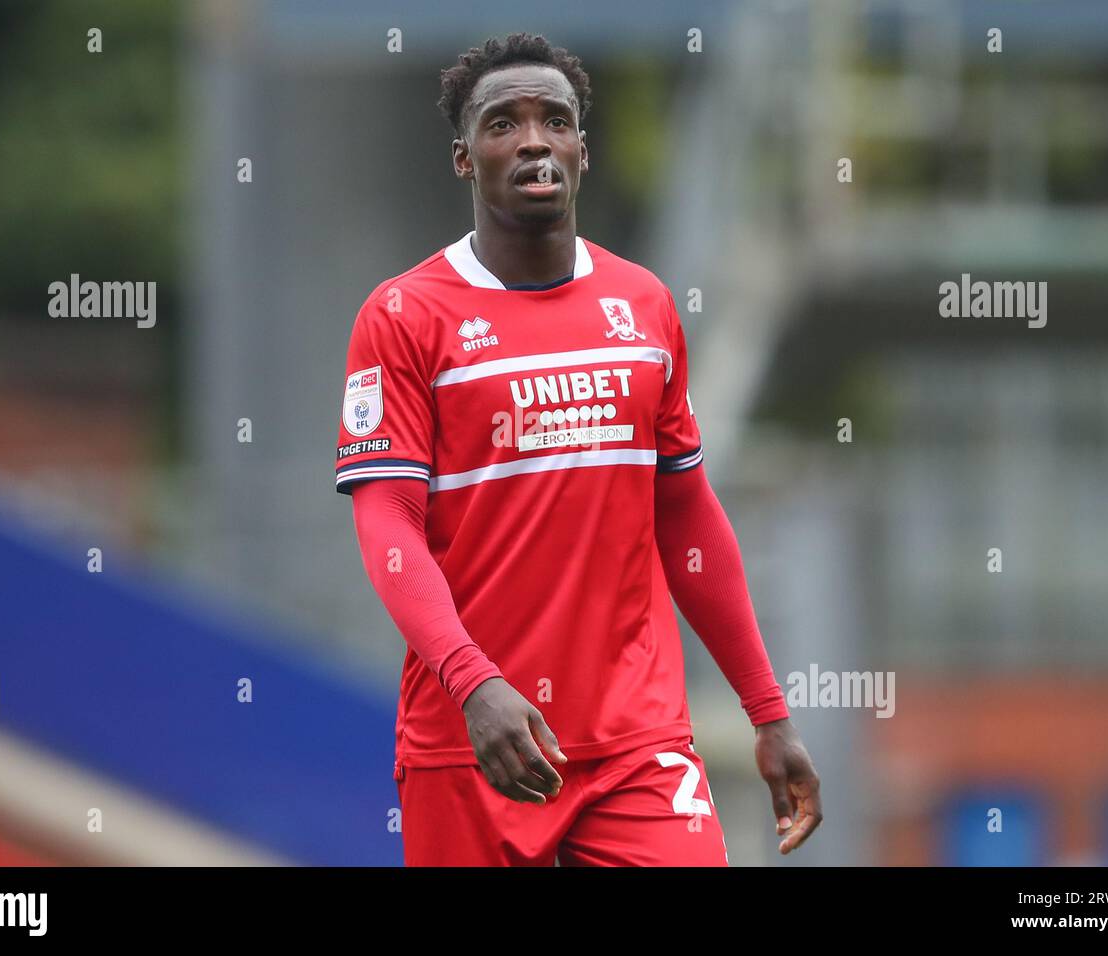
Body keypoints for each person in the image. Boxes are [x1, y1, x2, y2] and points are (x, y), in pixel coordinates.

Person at [336, 32, 821, 866]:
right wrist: (474, 683)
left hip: (637, 741)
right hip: (473, 734)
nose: (532, 139)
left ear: (582, 151)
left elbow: (688, 519)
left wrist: (767, 710)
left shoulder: (645, 307)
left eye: (553, 120)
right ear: (464, 157)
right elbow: (388, 525)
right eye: (503, 124)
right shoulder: (403, 317)